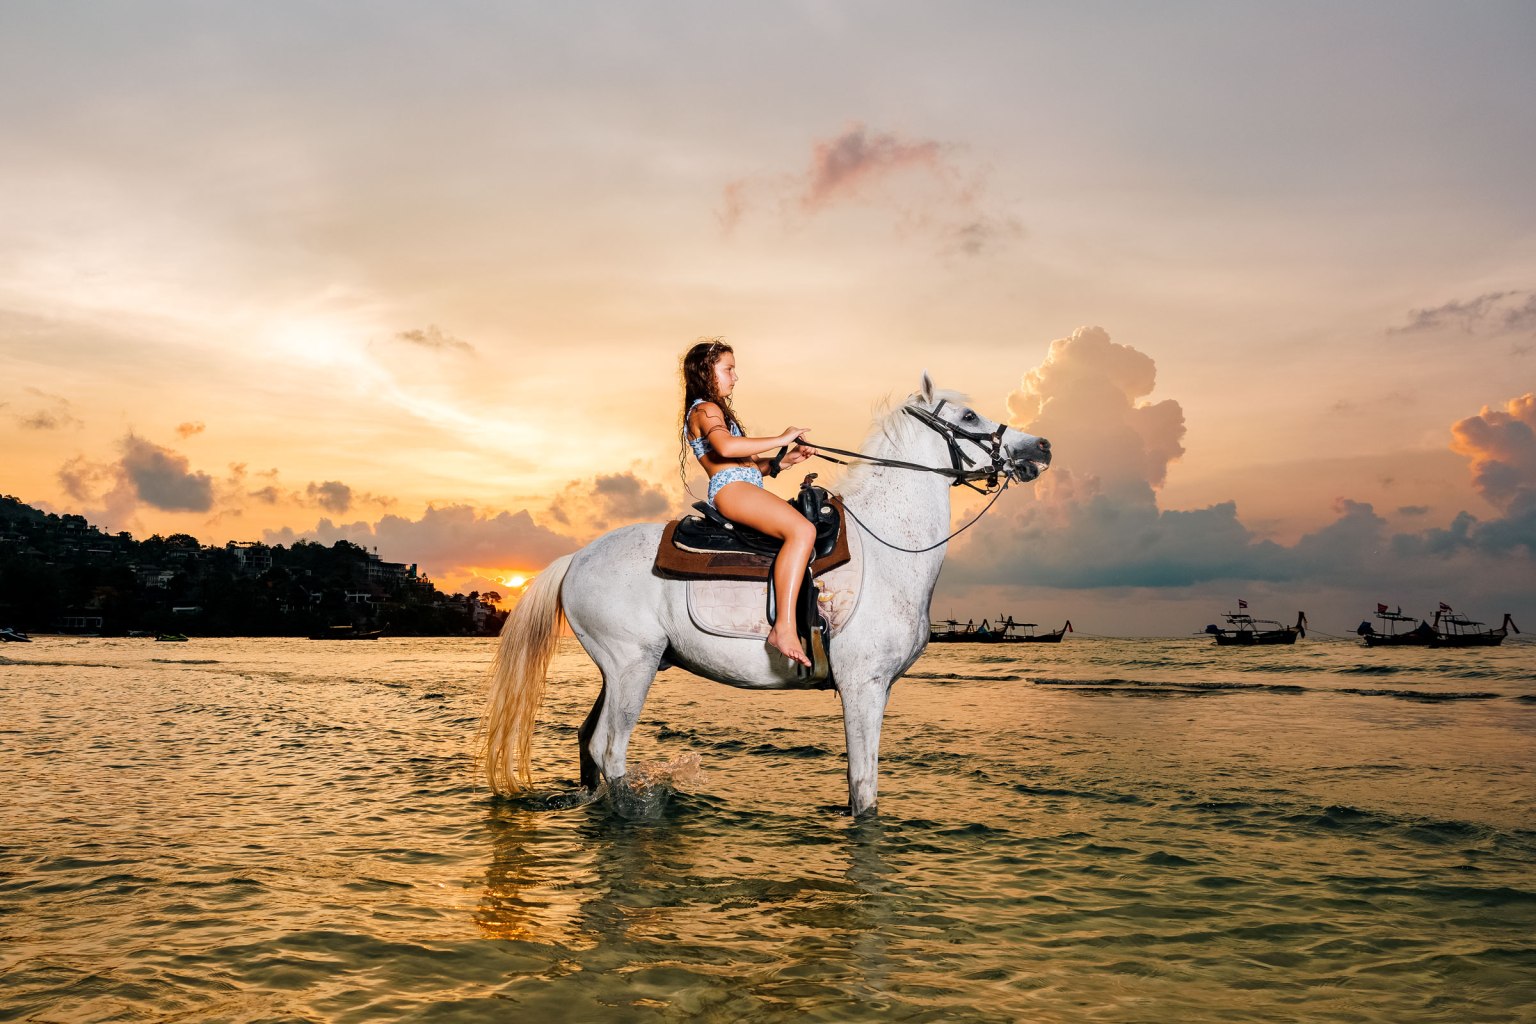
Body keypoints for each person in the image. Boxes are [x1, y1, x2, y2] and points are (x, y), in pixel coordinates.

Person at [680, 338, 818, 667]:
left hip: (745, 484)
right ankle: (783, 628)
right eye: (727, 369)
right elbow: (726, 449)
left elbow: (751, 467)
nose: (735, 377)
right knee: (802, 531)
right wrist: (783, 437)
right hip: (733, 490)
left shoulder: (718, 412)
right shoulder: (704, 409)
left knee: (801, 529)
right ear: (705, 371)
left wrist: (786, 460)